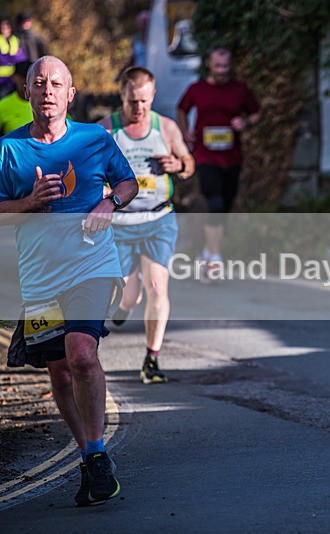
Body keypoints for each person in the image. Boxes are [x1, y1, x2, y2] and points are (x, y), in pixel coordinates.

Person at [0, 56, 138, 505]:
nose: (48, 91)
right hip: (40, 278)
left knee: (80, 355)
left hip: (92, 267)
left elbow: (129, 183)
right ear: (27, 92)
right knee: (59, 373)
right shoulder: (9, 150)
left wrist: (109, 205)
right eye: (39, 83)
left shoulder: (95, 139)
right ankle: (87, 455)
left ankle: (97, 454)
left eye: (56, 83)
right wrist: (28, 203)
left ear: (70, 94)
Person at [98, 66, 194, 384]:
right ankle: (123, 307)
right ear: (121, 96)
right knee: (129, 295)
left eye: (144, 101)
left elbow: (189, 164)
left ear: (152, 96)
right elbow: (90, 175)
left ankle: (151, 359)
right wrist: (102, 193)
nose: (138, 109)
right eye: (132, 101)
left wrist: (178, 164)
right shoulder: (106, 130)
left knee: (157, 287)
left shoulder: (164, 128)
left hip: (158, 219)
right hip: (121, 223)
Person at [176, 45, 259, 283]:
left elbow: (255, 113)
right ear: (209, 65)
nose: (222, 70)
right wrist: (186, 132)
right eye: (217, 65)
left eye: (225, 66)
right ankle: (214, 257)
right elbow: (182, 109)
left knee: (226, 204)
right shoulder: (197, 89)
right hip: (205, 155)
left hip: (232, 157)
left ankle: (206, 252)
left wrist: (244, 122)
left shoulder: (239, 90)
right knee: (215, 200)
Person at [0, 60, 32, 135]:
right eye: (22, 76)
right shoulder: (3, 106)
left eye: (29, 77)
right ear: (14, 78)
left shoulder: (47, 103)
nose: (25, 81)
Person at [0, 17, 27, 98]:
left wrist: (7, 57)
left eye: (7, 27)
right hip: (2, 79)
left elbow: (22, 58)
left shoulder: (15, 40)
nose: (5, 30)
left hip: (13, 78)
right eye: (3, 28)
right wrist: (13, 56)